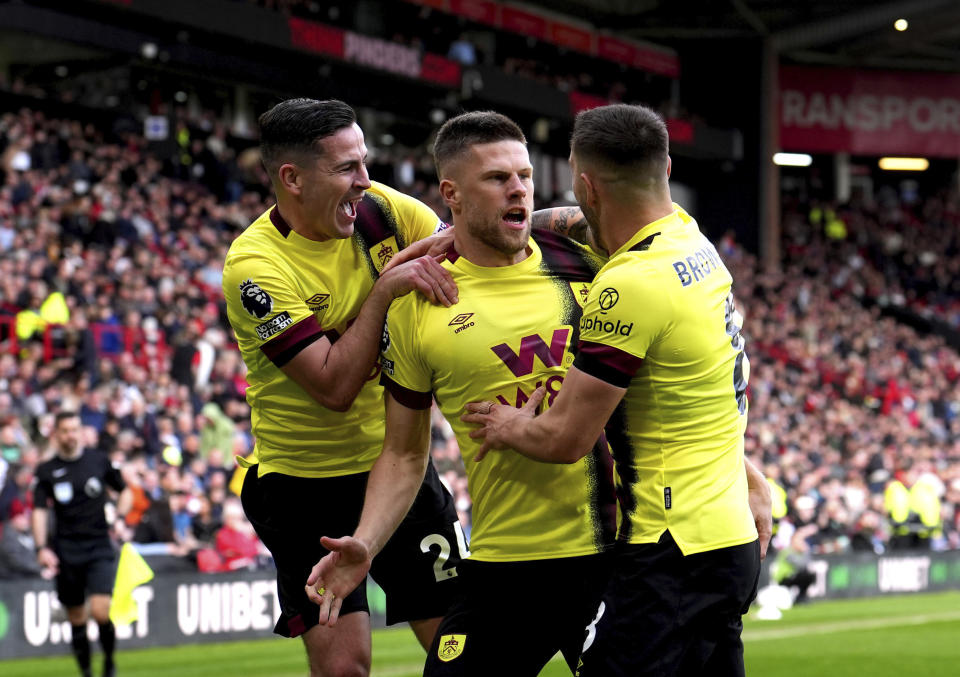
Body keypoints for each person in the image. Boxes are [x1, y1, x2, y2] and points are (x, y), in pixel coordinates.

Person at [305, 110, 771, 676]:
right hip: (509, 562)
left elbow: (680, 379)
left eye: (525, 175)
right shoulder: (418, 305)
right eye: (498, 179)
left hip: (617, 556)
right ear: (451, 192)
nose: (519, 189)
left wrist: (745, 473)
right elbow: (404, 453)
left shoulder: (598, 261)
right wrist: (366, 542)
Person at [463, 103, 764, 677]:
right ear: (667, 168)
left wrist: (508, 425)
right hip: (729, 538)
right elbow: (574, 224)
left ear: (586, 184)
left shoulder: (629, 285)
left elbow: (566, 437)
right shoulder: (689, 239)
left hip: (672, 549)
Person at [221, 98, 463, 677]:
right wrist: (384, 292)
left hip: (396, 470)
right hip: (304, 489)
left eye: (364, 161)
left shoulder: (384, 212)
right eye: (347, 168)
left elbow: (468, 254)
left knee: (465, 649)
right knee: (343, 671)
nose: (365, 181)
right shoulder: (254, 266)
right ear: (292, 179)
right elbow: (332, 385)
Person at [32, 411, 131, 677]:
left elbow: (125, 491)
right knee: (76, 616)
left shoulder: (98, 461)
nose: (71, 435)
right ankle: (86, 672)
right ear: (56, 435)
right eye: (65, 430)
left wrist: (119, 518)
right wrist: (41, 547)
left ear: (81, 431)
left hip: (99, 545)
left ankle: (109, 664)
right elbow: (39, 512)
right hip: (66, 551)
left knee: (100, 610)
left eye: (75, 429)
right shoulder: (46, 471)